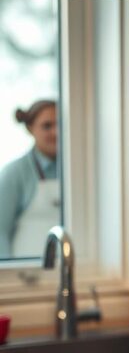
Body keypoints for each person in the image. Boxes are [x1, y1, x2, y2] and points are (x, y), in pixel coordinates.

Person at [0, 100, 60, 258]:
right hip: (26, 275)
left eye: (61, 124)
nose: (57, 132)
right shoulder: (14, 173)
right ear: (30, 128)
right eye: (47, 126)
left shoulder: (77, 170)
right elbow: (1, 232)